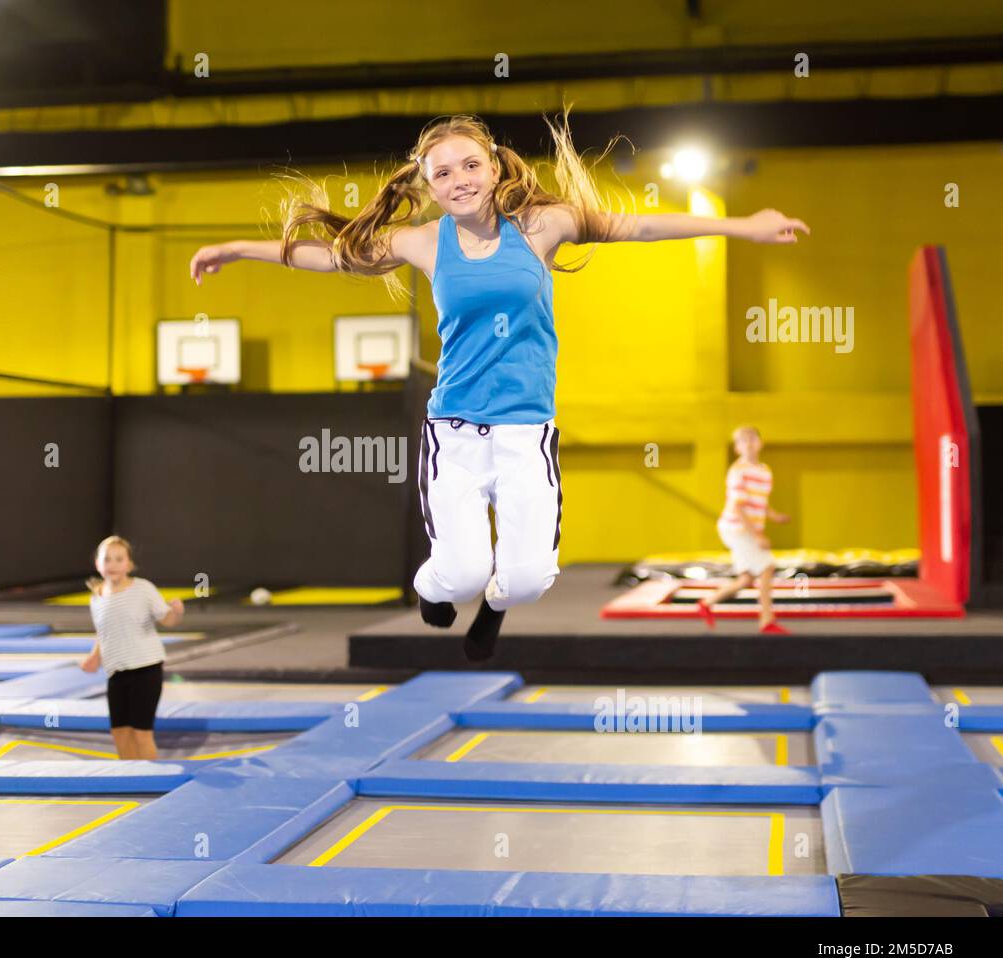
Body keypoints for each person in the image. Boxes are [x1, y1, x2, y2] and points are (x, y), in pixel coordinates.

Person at [188, 111, 809, 660]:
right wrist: (238, 248)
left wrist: (742, 227)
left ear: (493, 166)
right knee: (456, 575)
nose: (458, 180)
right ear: (426, 184)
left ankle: (494, 606)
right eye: (441, 174)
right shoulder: (426, 241)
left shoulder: (542, 224)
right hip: (455, 431)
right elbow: (333, 257)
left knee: (527, 579)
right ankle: (435, 591)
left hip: (525, 432)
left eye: (469, 165)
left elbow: (639, 227)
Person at [80, 534, 185, 760]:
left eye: (119, 559)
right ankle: (130, 774)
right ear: (98, 564)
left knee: (141, 733)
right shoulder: (97, 597)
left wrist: (175, 613)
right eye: (107, 559)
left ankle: (151, 779)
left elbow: (165, 619)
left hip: (146, 669)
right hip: (116, 671)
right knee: (119, 731)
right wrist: (94, 656)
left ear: (129, 564)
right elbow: (103, 631)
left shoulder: (143, 589)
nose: (113, 565)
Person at [697, 426, 791, 633]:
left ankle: (707, 602)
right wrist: (757, 535)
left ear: (760, 443)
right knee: (767, 567)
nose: (748, 443)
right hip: (735, 527)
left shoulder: (765, 471)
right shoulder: (737, 472)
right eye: (743, 440)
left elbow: (760, 501)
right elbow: (738, 506)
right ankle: (767, 619)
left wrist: (774, 516)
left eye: (752, 438)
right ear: (737, 448)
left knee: (747, 579)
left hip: (744, 528)